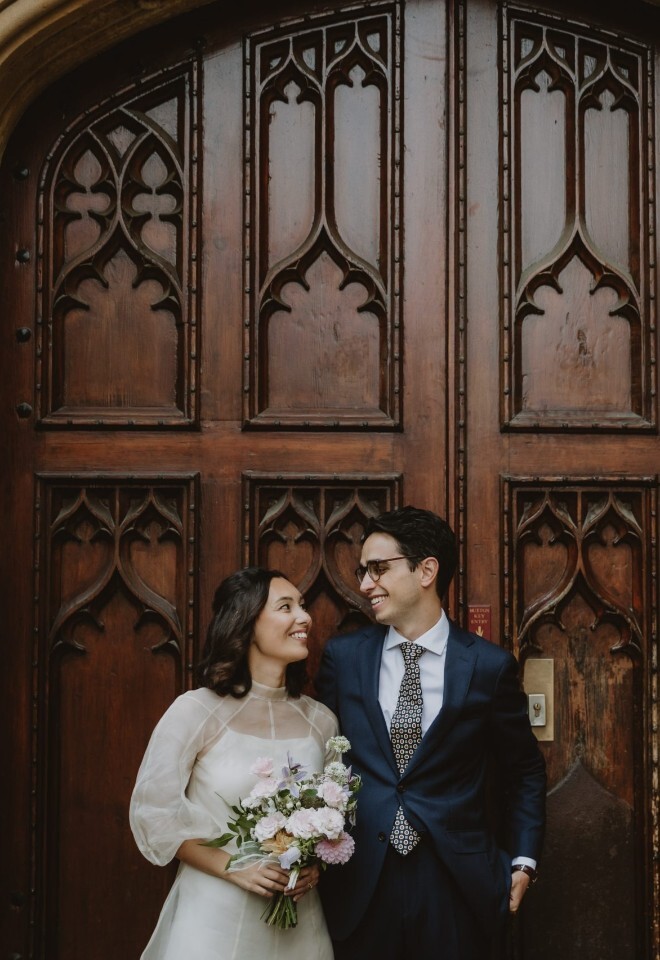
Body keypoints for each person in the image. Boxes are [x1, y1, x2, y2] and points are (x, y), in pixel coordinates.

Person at [316, 506, 546, 960]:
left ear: (426, 570)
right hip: (362, 881)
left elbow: (524, 772)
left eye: (378, 568)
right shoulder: (343, 659)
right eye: (363, 571)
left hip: (458, 884)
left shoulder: (488, 666)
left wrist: (523, 862)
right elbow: (322, 760)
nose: (365, 584)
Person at [130, 567, 337, 960]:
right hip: (214, 919)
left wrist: (317, 867)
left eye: (304, 606)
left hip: (300, 921)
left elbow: (337, 817)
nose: (304, 617)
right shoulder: (196, 712)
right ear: (247, 622)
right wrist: (233, 866)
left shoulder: (321, 720)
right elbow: (153, 815)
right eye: (286, 606)